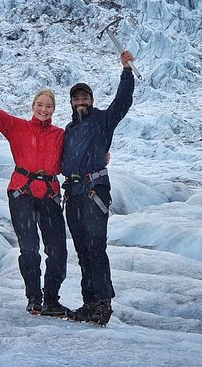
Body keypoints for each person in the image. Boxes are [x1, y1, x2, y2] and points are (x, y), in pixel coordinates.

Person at [0, 74, 70, 317]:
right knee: (29, 249)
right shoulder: (17, 127)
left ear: (54, 110)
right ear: (33, 106)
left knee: (58, 251)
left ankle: (51, 300)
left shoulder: (60, 135)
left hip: (49, 194)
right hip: (22, 193)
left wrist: (103, 156)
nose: (44, 109)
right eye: (40, 104)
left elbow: (81, 148)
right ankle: (34, 299)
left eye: (48, 106)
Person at [61, 50, 136, 325]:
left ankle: (103, 304)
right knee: (83, 251)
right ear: (71, 102)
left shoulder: (103, 120)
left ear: (91, 100)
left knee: (96, 248)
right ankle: (88, 304)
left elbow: (122, 102)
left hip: (94, 193)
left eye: (85, 98)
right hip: (73, 195)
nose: (81, 102)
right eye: (76, 98)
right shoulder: (68, 130)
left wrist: (126, 72)